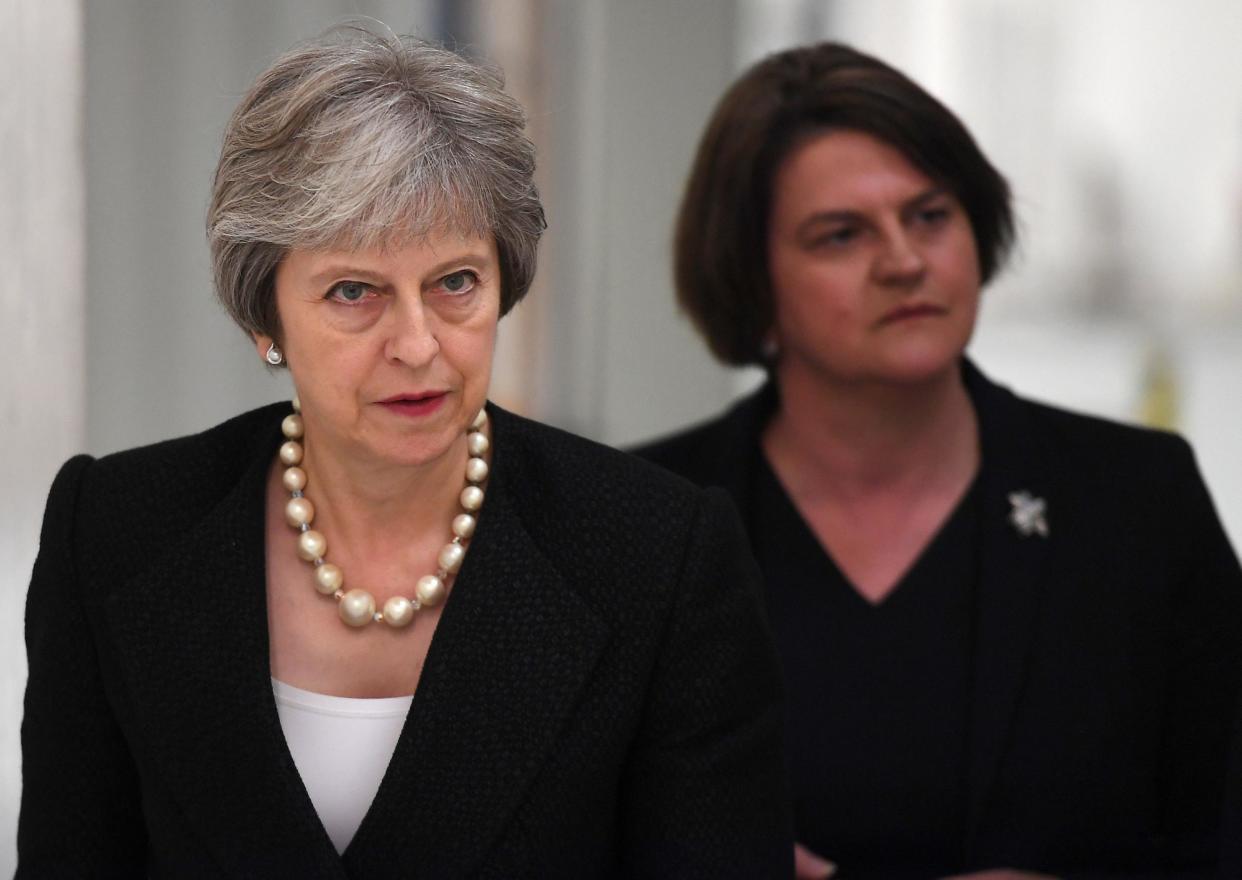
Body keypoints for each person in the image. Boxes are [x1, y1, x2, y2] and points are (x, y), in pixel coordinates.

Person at [17, 27, 792, 878]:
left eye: (456, 282)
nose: (419, 344)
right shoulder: (117, 529)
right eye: (356, 292)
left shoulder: (657, 553)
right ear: (262, 315)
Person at [634, 42, 1242, 878]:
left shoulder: (1137, 502)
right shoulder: (636, 521)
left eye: (930, 216)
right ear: (752, 284)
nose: (905, 261)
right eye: (841, 235)